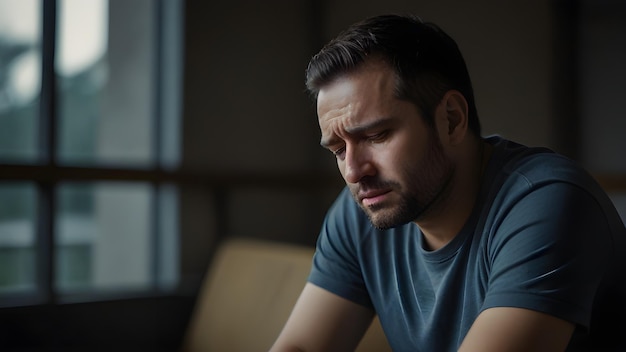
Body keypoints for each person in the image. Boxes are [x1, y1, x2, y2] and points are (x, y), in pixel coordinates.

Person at [269, 14, 626, 352]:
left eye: (377, 135)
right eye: (338, 150)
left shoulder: (546, 203)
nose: (353, 171)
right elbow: (300, 346)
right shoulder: (361, 212)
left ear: (451, 120)